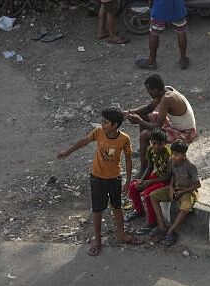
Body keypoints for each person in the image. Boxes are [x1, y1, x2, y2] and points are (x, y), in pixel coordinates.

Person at [57, 108, 139, 257]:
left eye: (105, 122)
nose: (102, 124)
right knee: (97, 209)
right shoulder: (99, 132)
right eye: (102, 121)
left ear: (115, 125)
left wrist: (128, 181)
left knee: (117, 207)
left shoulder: (124, 139)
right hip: (97, 178)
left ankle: (122, 235)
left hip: (114, 178)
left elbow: (128, 159)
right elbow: (84, 141)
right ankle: (98, 240)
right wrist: (67, 152)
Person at [124, 75, 197, 172]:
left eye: (149, 90)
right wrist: (128, 113)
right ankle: (145, 150)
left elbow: (157, 126)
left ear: (157, 89)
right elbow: (149, 107)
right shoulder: (166, 90)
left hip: (184, 132)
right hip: (174, 125)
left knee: (145, 134)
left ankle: (144, 168)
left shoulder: (167, 99)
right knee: (144, 116)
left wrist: (139, 121)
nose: (148, 92)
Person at [147, 140, 200, 247]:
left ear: (183, 155)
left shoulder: (190, 166)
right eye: (172, 153)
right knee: (153, 196)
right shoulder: (171, 161)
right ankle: (162, 227)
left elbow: (197, 185)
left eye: (176, 155)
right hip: (175, 188)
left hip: (187, 191)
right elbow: (172, 175)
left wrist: (182, 192)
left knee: (185, 206)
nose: (173, 156)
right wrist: (171, 187)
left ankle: (171, 230)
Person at [126, 129, 172, 231]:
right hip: (157, 176)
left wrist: (149, 182)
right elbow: (149, 167)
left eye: (159, 144)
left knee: (148, 194)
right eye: (154, 143)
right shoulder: (150, 150)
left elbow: (168, 177)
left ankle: (152, 221)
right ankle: (139, 211)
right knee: (133, 186)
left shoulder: (168, 155)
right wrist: (142, 180)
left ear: (165, 143)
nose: (156, 146)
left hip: (167, 181)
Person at [135, 0, 189, 70]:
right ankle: (183, 60)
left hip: (160, 7)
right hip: (177, 6)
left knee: (154, 33)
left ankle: (151, 61)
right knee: (181, 32)